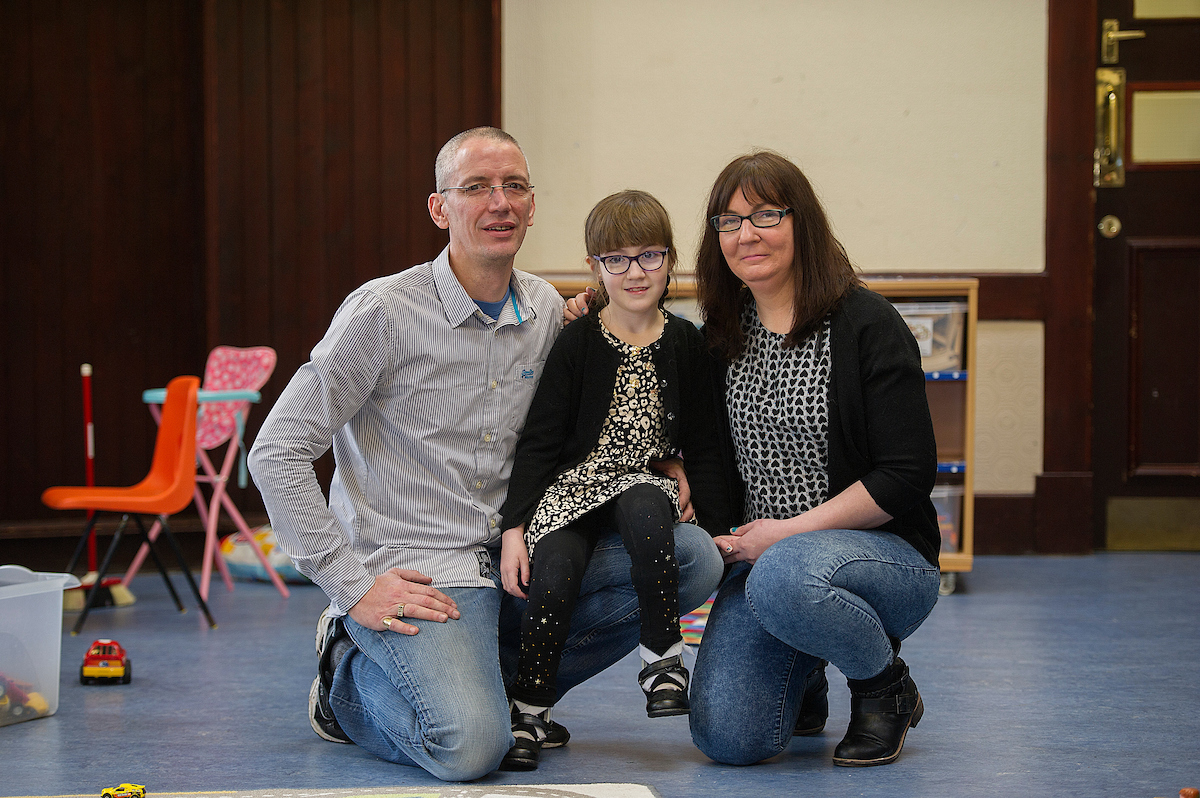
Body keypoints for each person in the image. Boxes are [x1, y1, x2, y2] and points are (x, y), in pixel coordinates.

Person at [247, 127, 722, 782]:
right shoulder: (382, 312)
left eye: (514, 187)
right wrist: (350, 586)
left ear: (531, 206)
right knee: (470, 749)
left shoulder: (546, 308)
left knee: (691, 556)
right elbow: (277, 450)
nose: (499, 202)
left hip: (513, 557)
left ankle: (503, 691)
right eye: (476, 188)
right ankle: (345, 687)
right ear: (441, 209)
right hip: (423, 570)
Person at [686, 150, 942, 768]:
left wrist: (787, 534)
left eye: (765, 215)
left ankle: (884, 687)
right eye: (728, 220)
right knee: (728, 739)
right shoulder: (721, 332)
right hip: (763, 563)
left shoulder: (867, 324)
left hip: (881, 559)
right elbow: (705, 449)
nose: (746, 234)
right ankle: (804, 671)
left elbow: (907, 473)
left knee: (786, 574)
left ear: (802, 222)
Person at [496, 190, 732, 770]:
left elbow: (704, 444)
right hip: (572, 487)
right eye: (617, 260)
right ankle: (529, 709)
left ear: (670, 260)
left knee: (649, 505)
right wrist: (514, 527)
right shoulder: (576, 340)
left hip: (640, 482)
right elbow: (542, 439)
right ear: (595, 268)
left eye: (649, 256)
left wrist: (724, 531)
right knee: (555, 572)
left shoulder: (684, 343)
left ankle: (663, 659)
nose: (635, 272)